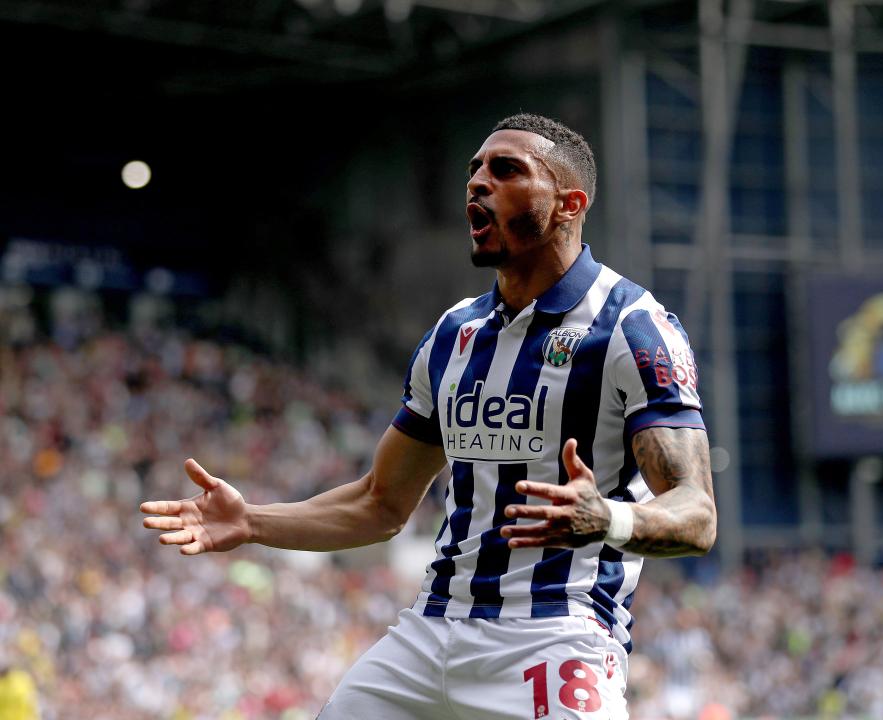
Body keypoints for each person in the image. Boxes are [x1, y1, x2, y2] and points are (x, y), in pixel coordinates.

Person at [141, 113, 717, 719]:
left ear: (569, 203)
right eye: (474, 170)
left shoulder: (633, 327)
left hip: (554, 635)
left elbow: (696, 513)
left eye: (506, 170)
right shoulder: (455, 334)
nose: (477, 183)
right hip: (429, 632)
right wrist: (252, 520)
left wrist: (609, 519)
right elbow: (380, 503)